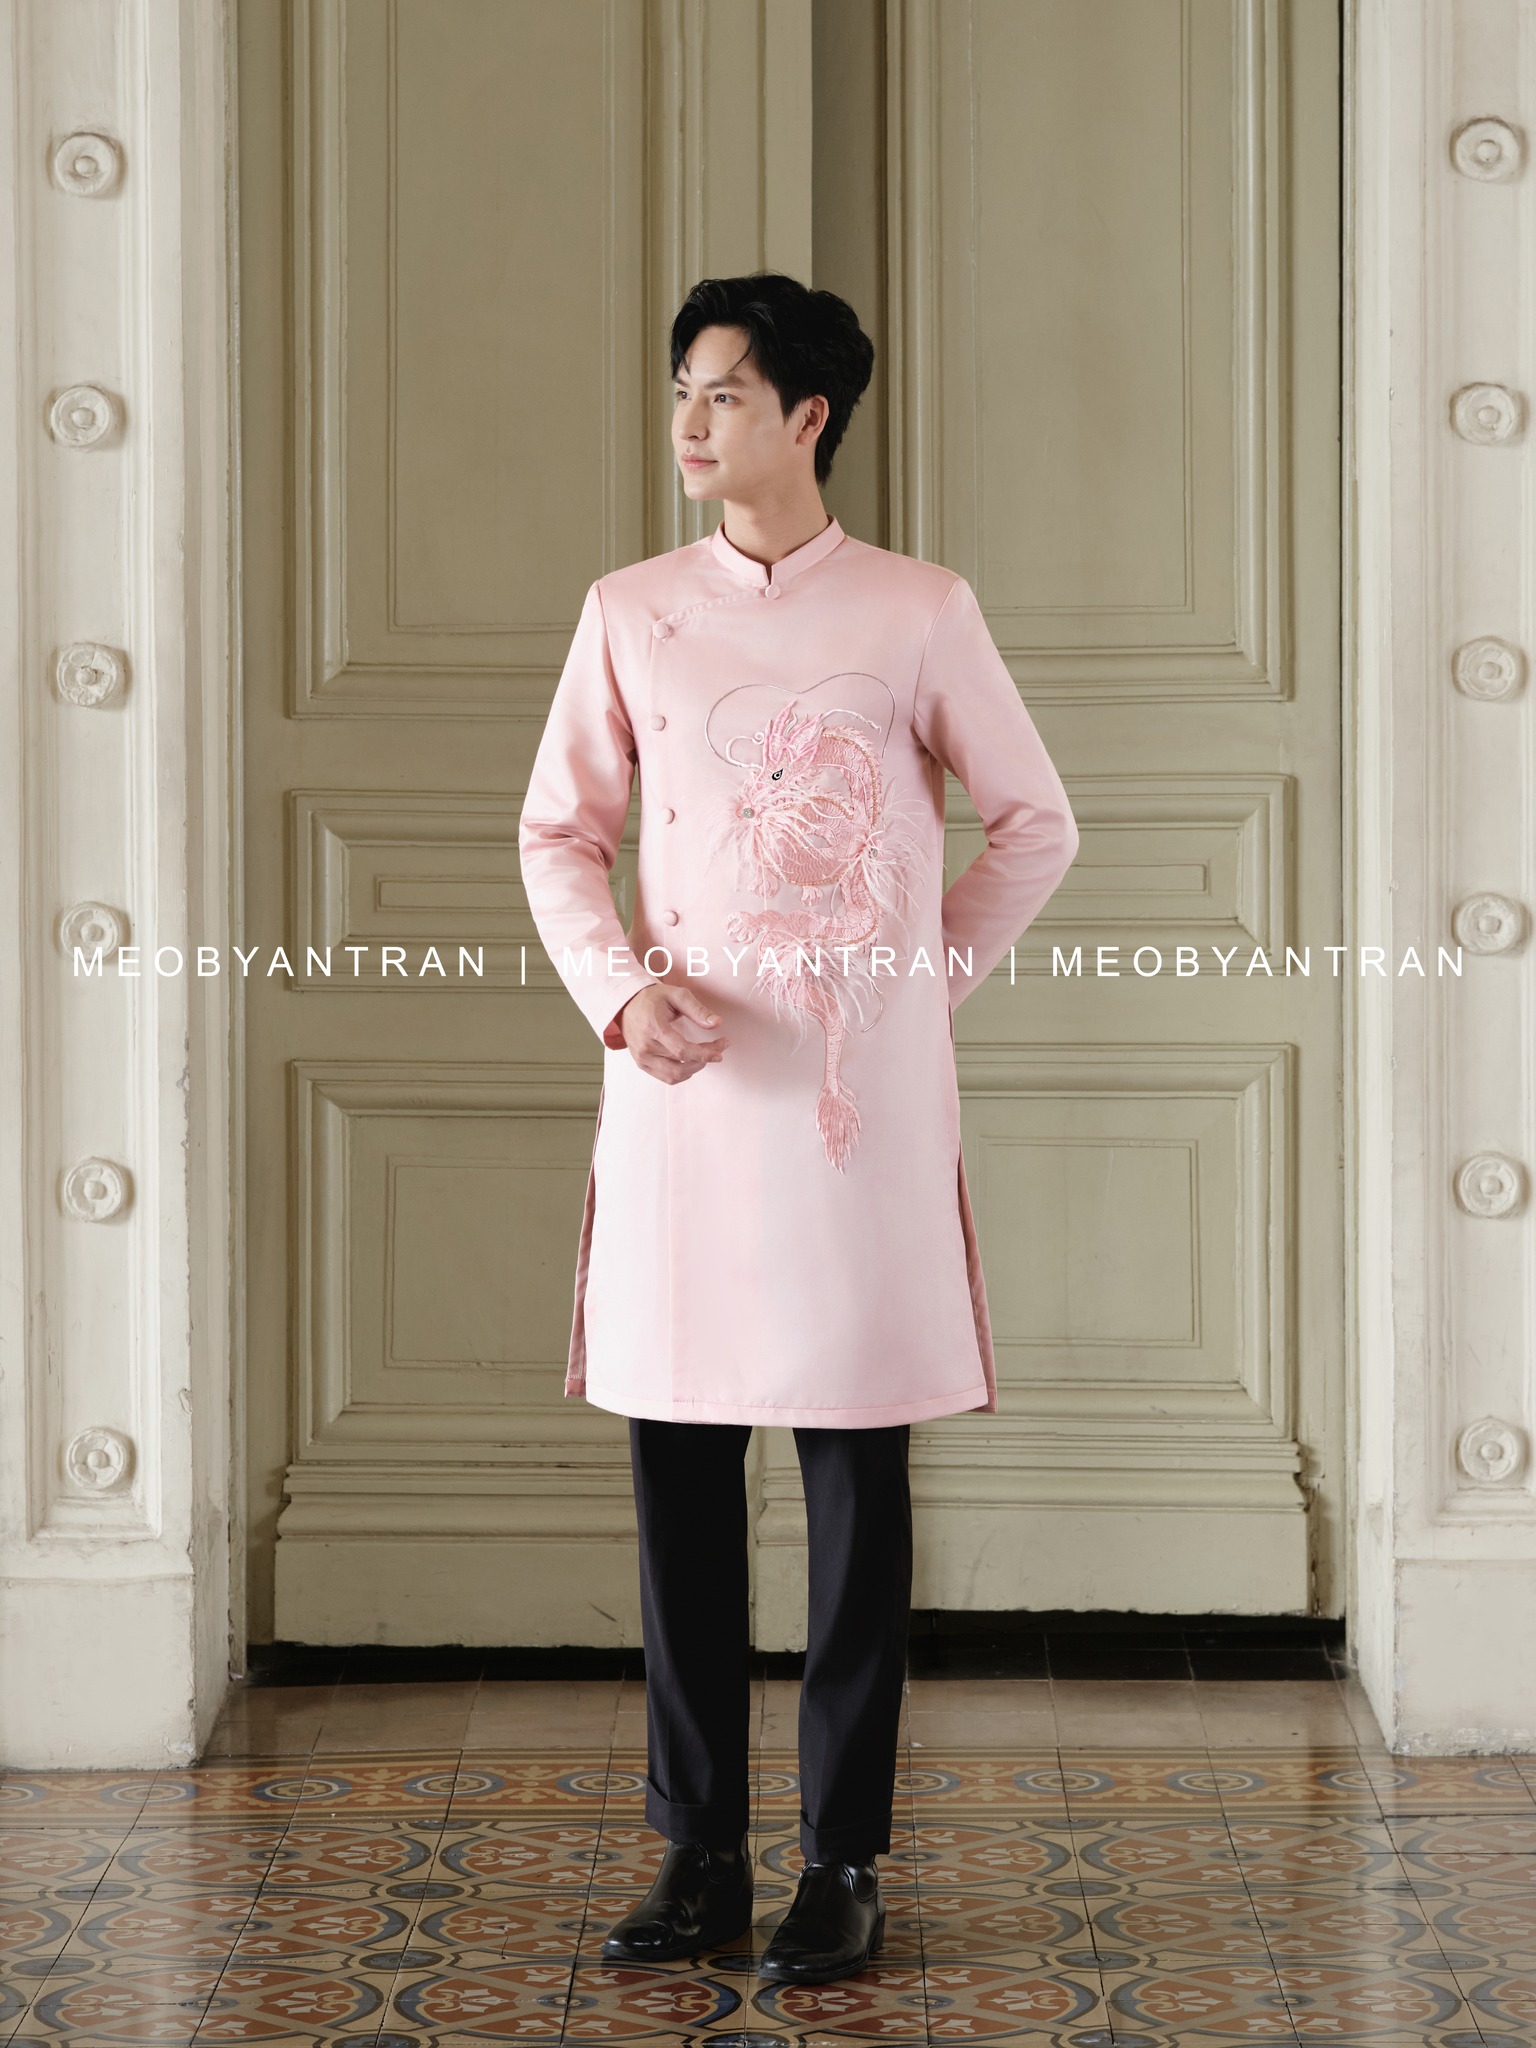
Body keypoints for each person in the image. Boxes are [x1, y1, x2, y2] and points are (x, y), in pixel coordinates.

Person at [517, 273, 1078, 1984]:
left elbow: (1035, 823)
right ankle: (697, 1851)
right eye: (682, 393)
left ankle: (843, 1859)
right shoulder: (630, 611)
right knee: (680, 1475)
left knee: (855, 1480)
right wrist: (622, 993)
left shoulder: (917, 609)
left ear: (808, 417)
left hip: (848, 1113)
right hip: (685, 1100)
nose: (690, 425)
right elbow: (560, 835)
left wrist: (911, 985)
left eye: (725, 396)